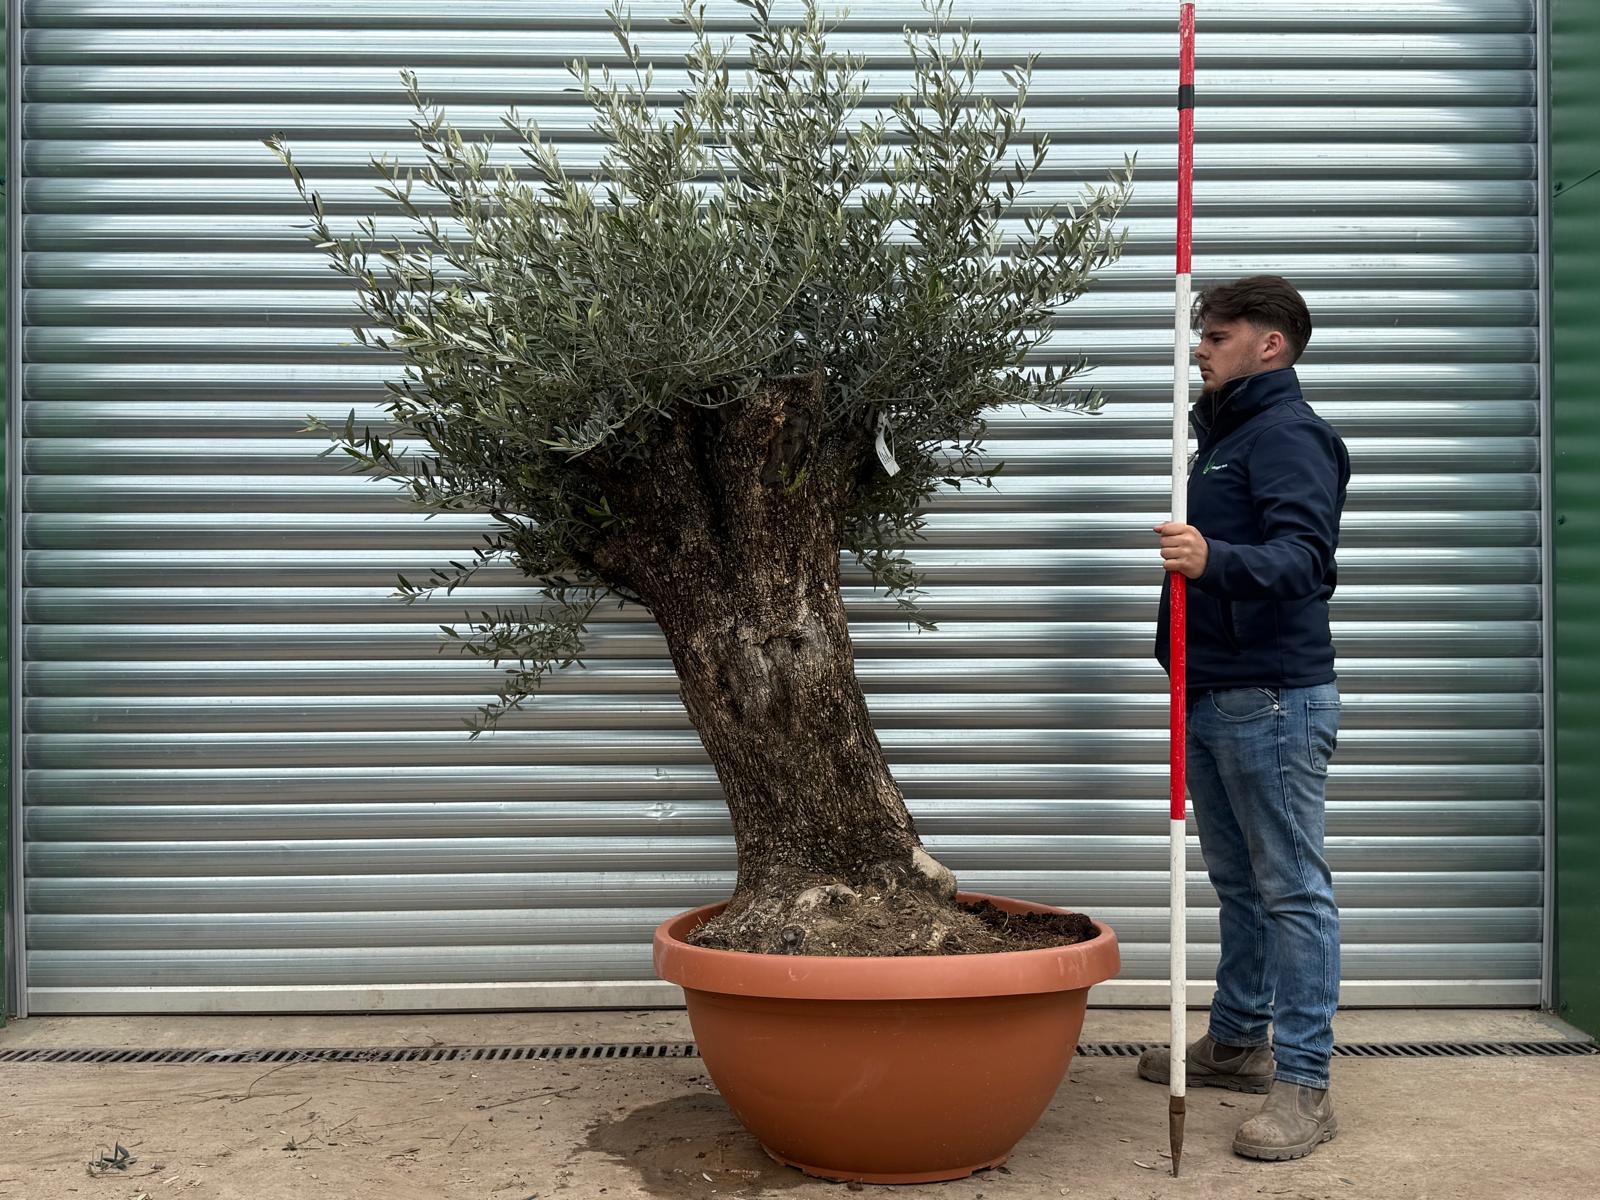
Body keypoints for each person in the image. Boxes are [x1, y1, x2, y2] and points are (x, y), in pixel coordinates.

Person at [1142, 275, 1351, 1162]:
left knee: (1293, 890)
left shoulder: (1290, 437)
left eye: (1218, 336)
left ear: (1271, 344)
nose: (1201, 348)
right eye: (1202, 335)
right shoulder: (1224, 435)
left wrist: (1211, 556)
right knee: (1241, 885)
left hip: (1270, 697)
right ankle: (1236, 1041)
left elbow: (1306, 561)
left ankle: (1305, 1086)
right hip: (1211, 689)